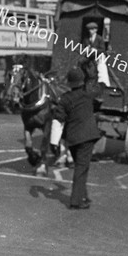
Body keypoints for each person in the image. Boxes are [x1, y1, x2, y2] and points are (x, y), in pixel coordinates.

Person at [52, 68, 101, 210]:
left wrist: (54, 143)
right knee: (81, 168)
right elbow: (101, 85)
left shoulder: (64, 99)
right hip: (87, 137)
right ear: (82, 81)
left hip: (72, 139)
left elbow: (58, 120)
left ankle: (83, 196)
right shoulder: (88, 94)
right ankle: (76, 201)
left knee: (81, 167)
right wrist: (101, 66)